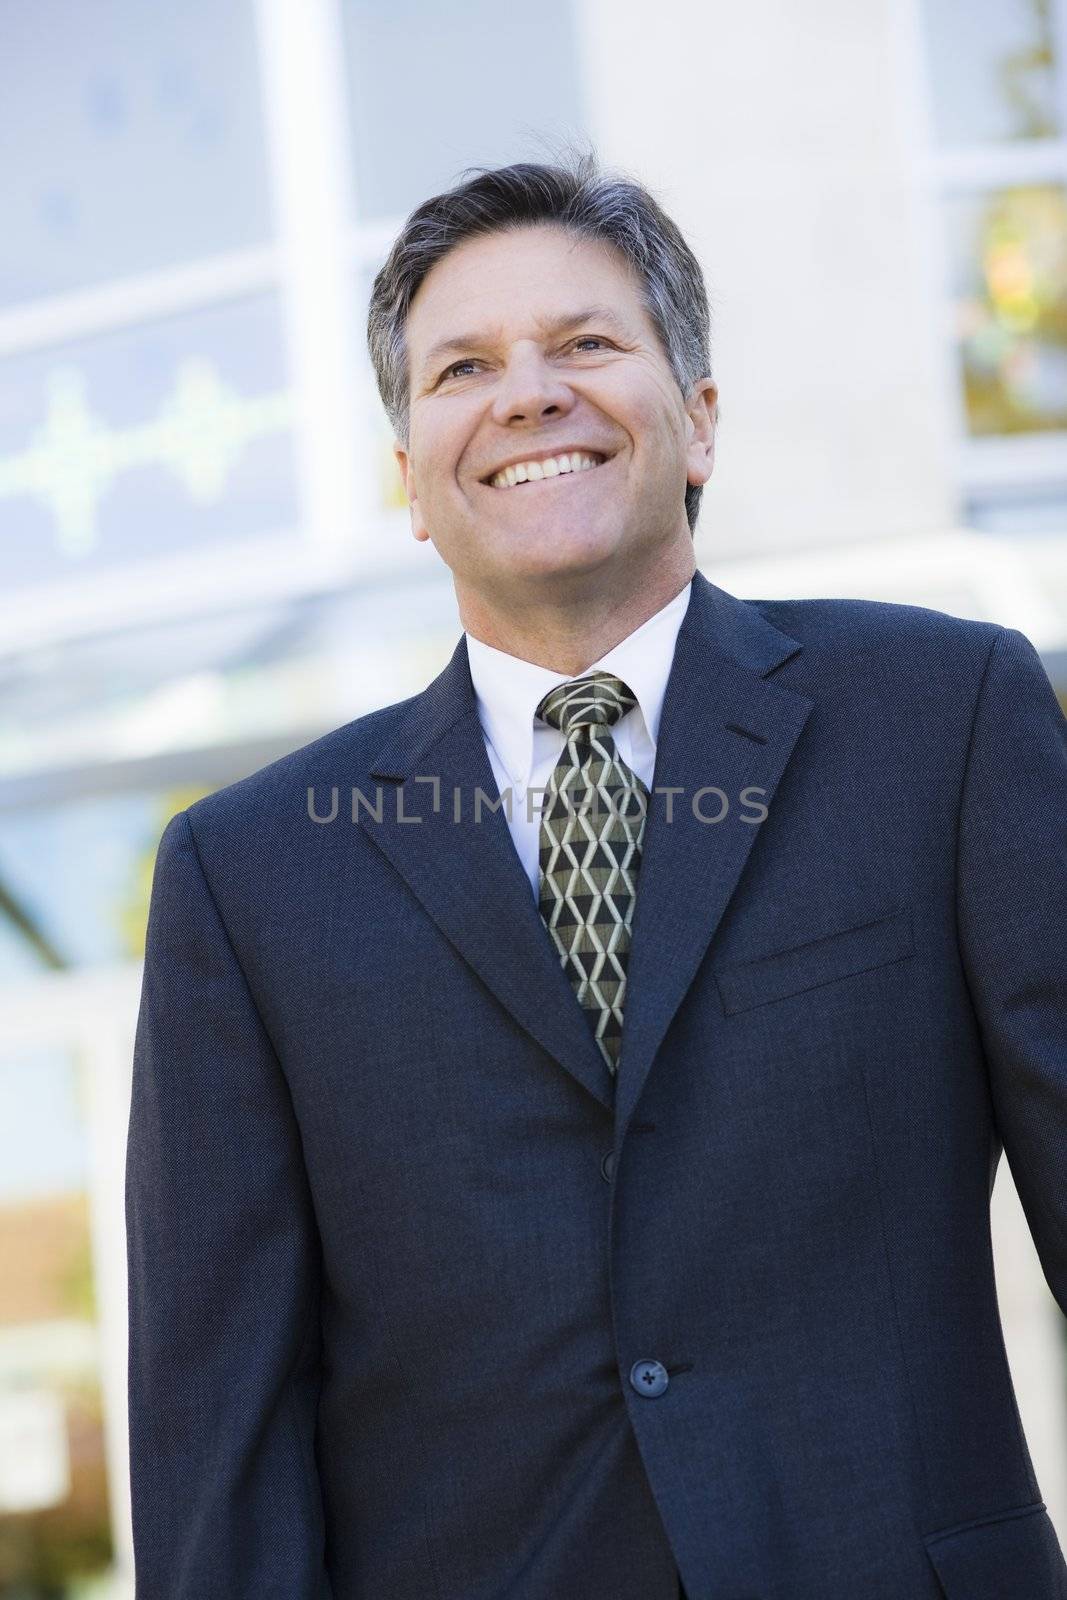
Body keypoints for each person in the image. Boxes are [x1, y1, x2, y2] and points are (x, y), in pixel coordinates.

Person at [125, 150, 1067, 1599]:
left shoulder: (946, 719)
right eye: (464, 368)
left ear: (696, 420)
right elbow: (221, 1432)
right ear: (413, 488)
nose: (528, 393)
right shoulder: (244, 876)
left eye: (586, 343)